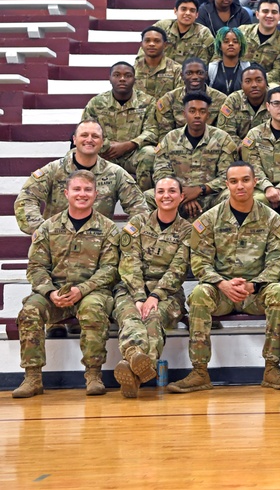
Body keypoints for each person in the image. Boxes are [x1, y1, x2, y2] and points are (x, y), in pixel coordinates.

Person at [167, 161, 280, 393]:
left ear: (255, 183)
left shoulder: (272, 219)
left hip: (256, 292)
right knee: (198, 294)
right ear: (226, 185)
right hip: (221, 292)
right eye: (234, 181)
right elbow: (200, 262)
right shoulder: (208, 220)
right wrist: (222, 283)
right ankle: (200, 372)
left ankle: (272, 369)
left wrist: (254, 284)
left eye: (246, 180)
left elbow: (278, 262)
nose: (240, 186)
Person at [12, 170, 119, 398]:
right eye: (77, 189)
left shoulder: (108, 228)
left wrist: (82, 290)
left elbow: (110, 269)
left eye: (87, 190)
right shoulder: (48, 227)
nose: (82, 194)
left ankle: (93, 375)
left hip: (90, 292)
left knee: (93, 309)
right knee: (30, 310)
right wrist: (50, 293)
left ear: (96, 194)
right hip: (54, 292)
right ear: (66, 193)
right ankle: (32, 378)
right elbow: (36, 267)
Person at [111, 175, 191, 398]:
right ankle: (136, 359)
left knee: (154, 319)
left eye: (172, 191)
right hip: (130, 289)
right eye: (161, 191)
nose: (166, 196)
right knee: (131, 317)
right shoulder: (137, 224)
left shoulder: (188, 230)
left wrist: (155, 295)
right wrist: (138, 296)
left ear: (182, 196)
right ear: (154, 196)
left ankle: (133, 369)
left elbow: (179, 268)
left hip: (168, 294)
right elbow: (129, 262)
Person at [15, 120, 147, 235]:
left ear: (102, 142)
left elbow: (140, 208)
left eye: (95, 136)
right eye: (84, 135)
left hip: (100, 248)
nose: (89, 140)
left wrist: (122, 236)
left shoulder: (115, 173)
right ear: (74, 139)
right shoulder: (54, 170)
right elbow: (26, 198)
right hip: (57, 244)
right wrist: (40, 230)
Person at [152, 92, 239, 217]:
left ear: (208, 115)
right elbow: (161, 172)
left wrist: (200, 190)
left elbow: (227, 175)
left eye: (202, 111)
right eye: (192, 111)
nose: (197, 115)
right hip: (176, 197)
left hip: (211, 197)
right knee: (148, 197)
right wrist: (182, 194)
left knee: (231, 196)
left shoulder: (222, 139)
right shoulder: (170, 138)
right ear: (184, 114)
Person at [80, 62, 155, 179]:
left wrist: (128, 145)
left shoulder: (148, 102)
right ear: (109, 78)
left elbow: (152, 131)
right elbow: (85, 130)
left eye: (128, 75)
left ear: (134, 79)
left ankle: (143, 195)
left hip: (133, 154)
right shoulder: (97, 103)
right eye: (117, 75)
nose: (122, 79)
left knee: (150, 153)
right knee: (76, 153)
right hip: (105, 153)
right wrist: (106, 146)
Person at [147, 57, 228, 145]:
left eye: (199, 73)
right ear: (182, 76)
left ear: (206, 75)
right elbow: (164, 133)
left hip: (212, 146)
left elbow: (222, 131)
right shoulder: (169, 99)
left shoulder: (221, 99)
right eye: (189, 73)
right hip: (177, 146)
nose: (195, 77)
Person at [150, 0, 215, 66]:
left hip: (191, 75)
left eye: (192, 10)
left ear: (197, 14)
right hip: (161, 75)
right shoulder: (162, 27)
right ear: (175, 11)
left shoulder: (204, 33)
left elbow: (211, 61)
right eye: (183, 9)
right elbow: (145, 52)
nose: (187, 13)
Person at [217, 64, 270, 144]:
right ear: (241, 85)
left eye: (259, 80)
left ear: (266, 83)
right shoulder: (233, 100)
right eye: (248, 81)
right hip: (239, 149)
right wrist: (247, 146)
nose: (254, 85)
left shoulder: (275, 99)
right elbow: (225, 133)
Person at [238, 0, 280, 79]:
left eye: (274, 12)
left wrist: (256, 80)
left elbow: (277, 71)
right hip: (237, 78)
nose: (269, 15)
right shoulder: (242, 31)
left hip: (265, 84)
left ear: (279, 16)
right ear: (257, 14)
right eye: (265, 11)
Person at [134, 25, 182, 101]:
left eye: (157, 41)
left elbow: (180, 98)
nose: (151, 44)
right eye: (147, 40)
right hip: (140, 112)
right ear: (141, 45)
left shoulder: (177, 70)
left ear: (165, 45)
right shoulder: (133, 70)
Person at [207, 27, 251, 96]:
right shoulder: (211, 69)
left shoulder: (248, 68)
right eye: (226, 41)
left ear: (241, 46)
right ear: (220, 46)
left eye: (235, 41)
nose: (231, 44)